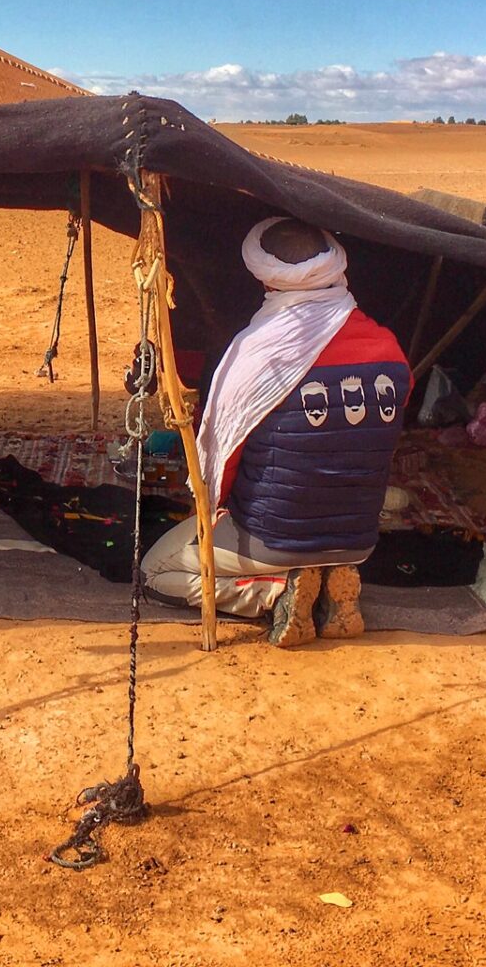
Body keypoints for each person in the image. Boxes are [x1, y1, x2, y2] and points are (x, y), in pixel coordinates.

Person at [142, 217, 411, 646]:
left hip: (274, 538)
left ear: (265, 279)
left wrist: (214, 506)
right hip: (359, 539)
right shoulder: (390, 349)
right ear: (335, 268)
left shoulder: (255, 355)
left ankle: (276, 592)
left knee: (157, 570)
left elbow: (220, 462)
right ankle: (331, 582)